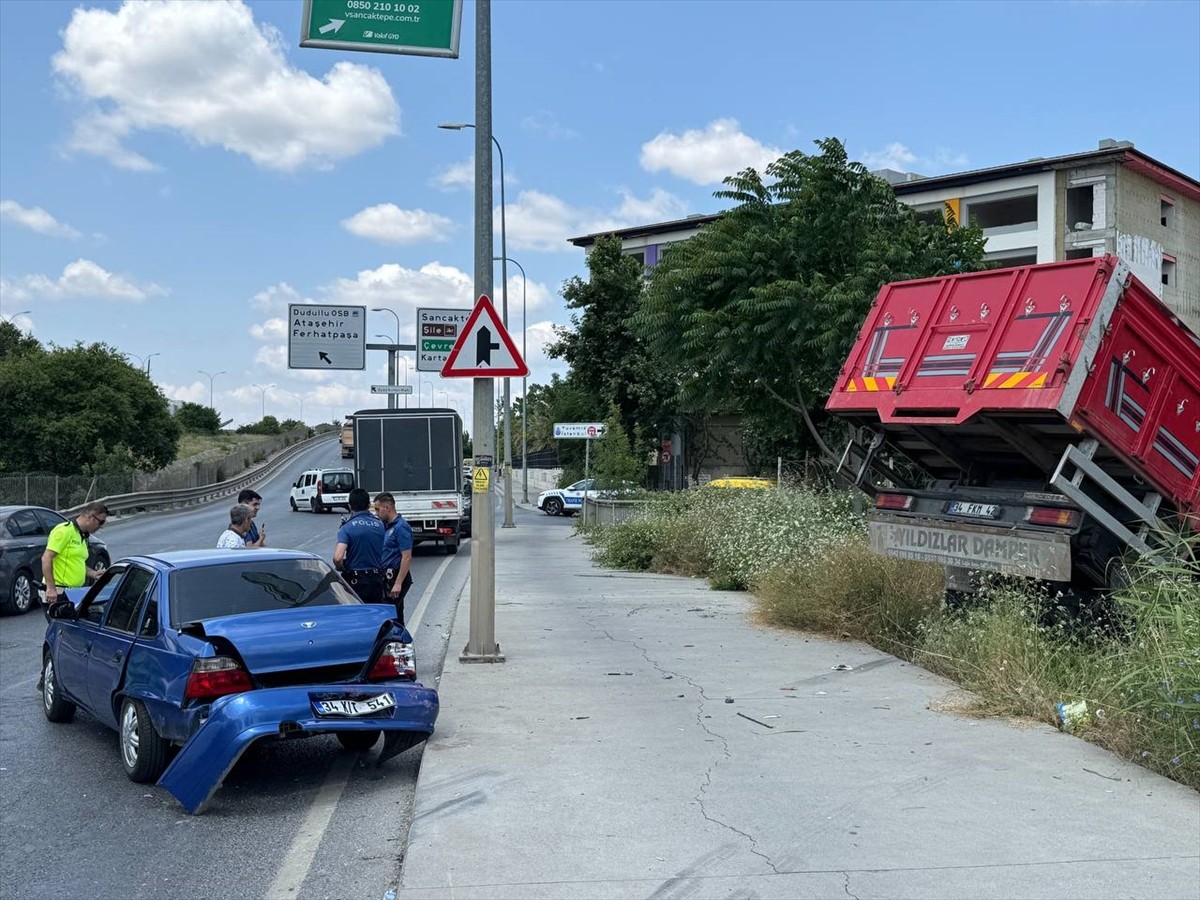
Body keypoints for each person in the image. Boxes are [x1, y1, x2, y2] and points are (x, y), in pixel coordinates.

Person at [41, 502, 109, 605]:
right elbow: (46, 558)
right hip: (58, 592)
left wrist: (94, 574)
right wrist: (51, 588)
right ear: (92, 518)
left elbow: (76, 562)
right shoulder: (64, 531)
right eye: (101, 522)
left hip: (73, 593)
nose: (101, 527)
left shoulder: (82, 536)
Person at [334, 488, 386, 602]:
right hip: (377, 579)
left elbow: (338, 558)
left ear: (350, 506)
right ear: (368, 505)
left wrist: (341, 567)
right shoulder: (380, 525)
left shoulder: (346, 528)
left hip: (356, 581)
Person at [373, 492, 414, 624]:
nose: (376, 513)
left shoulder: (401, 527)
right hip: (387, 576)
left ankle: (397, 640)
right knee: (396, 613)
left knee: (389, 614)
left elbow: (406, 557)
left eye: (378, 509)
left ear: (388, 508)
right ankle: (400, 642)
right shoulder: (387, 526)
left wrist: (398, 583)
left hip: (396, 576)